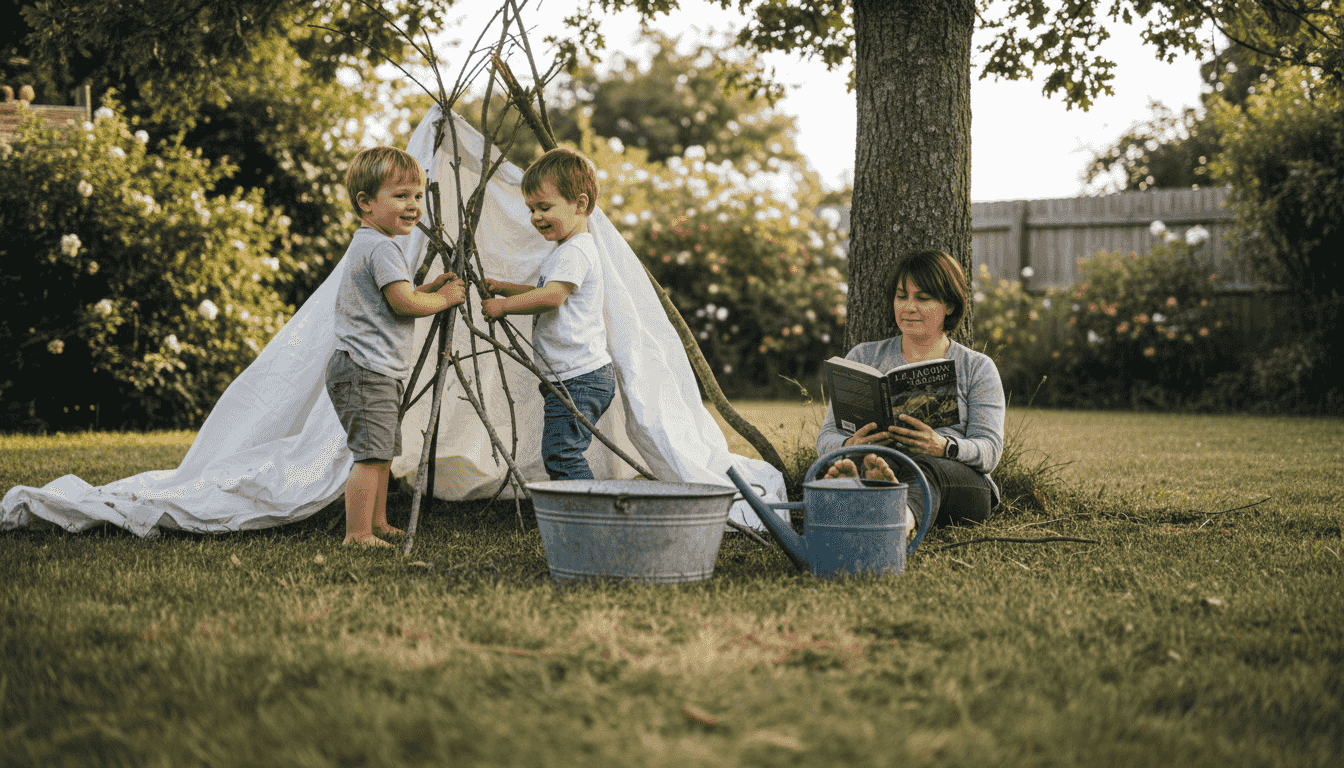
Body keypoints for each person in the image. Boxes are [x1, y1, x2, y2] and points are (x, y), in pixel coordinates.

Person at [327, 146, 466, 547]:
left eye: (418, 196)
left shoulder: (372, 243)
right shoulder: (382, 247)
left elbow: (396, 295)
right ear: (366, 203)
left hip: (370, 368)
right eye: (401, 196)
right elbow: (403, 303)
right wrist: (444, 299)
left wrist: (428, 289)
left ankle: (379, 521)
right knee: (371, 455)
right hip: (365, 368)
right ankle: (357, 533)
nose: (413, 205)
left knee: (382, 451)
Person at [816, 249, 1005, 533]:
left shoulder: (977, 367)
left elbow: (990, 450)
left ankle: (896, 523)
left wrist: (944, 446)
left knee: (926, 470)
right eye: (901, 296)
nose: (909, 307)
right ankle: (874, 486)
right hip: (883, 460)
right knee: (850, 462)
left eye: (923, 298)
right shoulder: (864, 357)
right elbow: (826, 438)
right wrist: (848, 446)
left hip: (952, 478)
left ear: (949, 305)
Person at [481, 147, 616, 481]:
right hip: (572, 375)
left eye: (544, 207)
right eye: (531, 209)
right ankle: (583, 516)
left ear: (580, 204)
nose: (536, 217)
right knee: (561, 451)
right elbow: (546, 295)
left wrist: (503, 307)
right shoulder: (568, 250)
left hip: (579, 377)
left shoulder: (575, 252)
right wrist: (505, 287)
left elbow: (553, 298)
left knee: (562, 453)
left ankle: (587, 519)